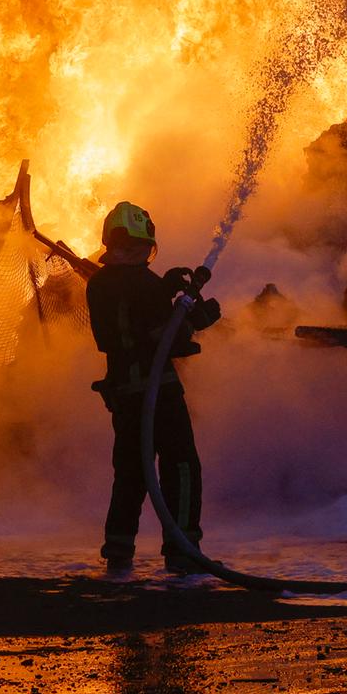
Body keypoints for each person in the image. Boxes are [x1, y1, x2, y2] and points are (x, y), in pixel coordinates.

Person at [86, 201, 220, 573]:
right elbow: (163, 339)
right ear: (137, 245)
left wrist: (164, 289)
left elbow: (128, 322)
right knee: (181, 466)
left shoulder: (99, 284)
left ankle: (118, 551)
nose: (146, 254)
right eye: (144, 248)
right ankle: (183, 550)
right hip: (159, 391)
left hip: (124, 394)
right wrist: (195, 320)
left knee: (131, 471)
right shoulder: (142, 282)